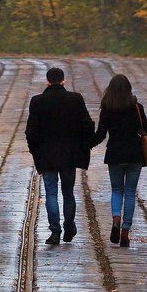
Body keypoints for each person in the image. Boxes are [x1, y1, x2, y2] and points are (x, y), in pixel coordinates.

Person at [25, 66, 95, 245]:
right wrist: (83, 146)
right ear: (64, 81)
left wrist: (35, 151)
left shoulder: (37, 101)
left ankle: (55, 230)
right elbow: (87, 125)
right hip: (69, 155)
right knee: (68, 192)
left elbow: (30, 132)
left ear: (47, 81)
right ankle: (69, 226)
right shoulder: (75, 99)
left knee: (50, 193)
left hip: (47, 156)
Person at [91, 74, 147, 248]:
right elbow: (145, 130)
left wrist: (86, 144)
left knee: (117, 190)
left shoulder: (107, 108)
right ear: (129, 89)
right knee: (130, 193)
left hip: (115, 154)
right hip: (135, 155)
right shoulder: (137, 107)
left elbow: (100, 134)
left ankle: (116, 217)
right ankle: (125, 231)